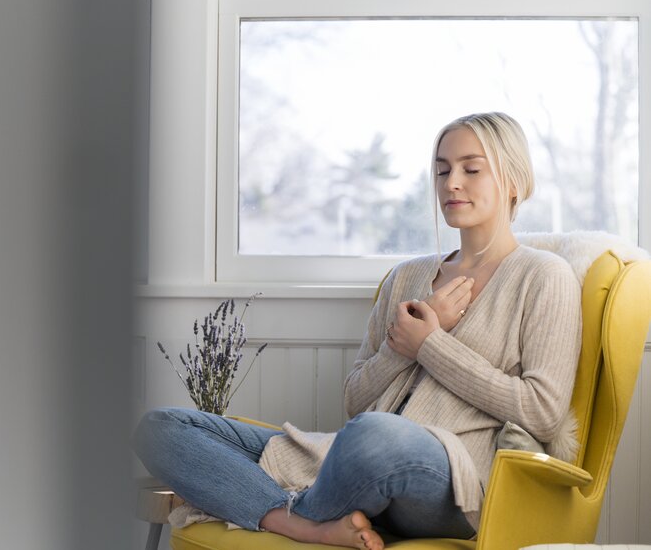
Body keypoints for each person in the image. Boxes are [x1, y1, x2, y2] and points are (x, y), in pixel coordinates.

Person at [132, 112, 582, 550]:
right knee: (161, 427)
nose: (451, 183)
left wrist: (429, 344)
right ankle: (301, 525)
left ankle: (288, 510)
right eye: (442, 170)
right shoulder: (406, 277)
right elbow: (355, 400)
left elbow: (541, 410)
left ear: (515, 182)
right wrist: (400, 350)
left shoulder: (545, 275)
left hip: (451, 480)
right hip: (350, 455)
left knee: (375, 435)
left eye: (471, 169)